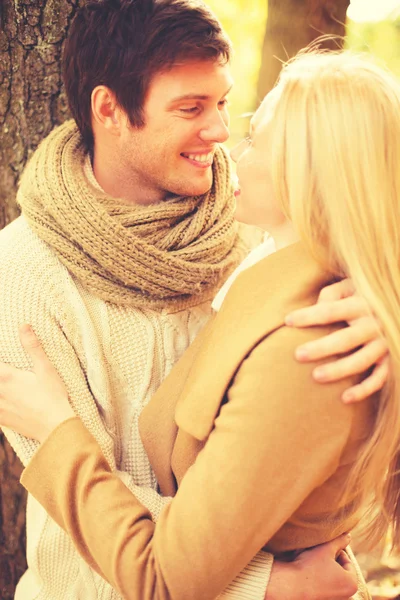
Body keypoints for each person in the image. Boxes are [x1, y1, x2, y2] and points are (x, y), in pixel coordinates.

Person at [0, 0, 386, 597]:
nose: (221, 135)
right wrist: (266, 589)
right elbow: (88, 530)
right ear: (110, 110)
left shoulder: (253, 220)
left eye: (225, 104)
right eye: (190, 109)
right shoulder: (24, 274)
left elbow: (362, 197)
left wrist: (387, 304)